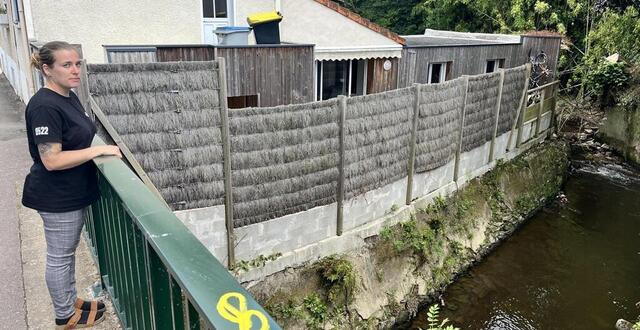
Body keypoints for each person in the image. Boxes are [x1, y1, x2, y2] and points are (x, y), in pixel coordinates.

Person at [22, 41, 122, 329]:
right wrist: (97, 151)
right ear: (47, 69)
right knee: (60, 256)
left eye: (78, 63)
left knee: (65, 254)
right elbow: (51, 160)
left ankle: (69, 299)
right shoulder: (44, 106)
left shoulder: (68, 95)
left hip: (71, 192)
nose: (75, 70)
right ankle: (65, 314)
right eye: (67, 65)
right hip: (57, 196)